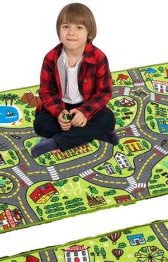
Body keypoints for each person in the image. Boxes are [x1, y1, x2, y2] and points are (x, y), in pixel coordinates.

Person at [31, 3, 118, 158]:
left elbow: (104, 92)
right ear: (59, 30)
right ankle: (96, 134)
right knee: (40, 124)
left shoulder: (99, 57)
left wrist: (84, 113)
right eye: (66, 27)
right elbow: (46, 91)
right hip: (61, 106)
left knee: (107, 120)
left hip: (87, 105)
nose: (71, 33)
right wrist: (59, 113)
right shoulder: (51, 58)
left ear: (89, 33)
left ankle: (56, 142)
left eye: (79, 27)